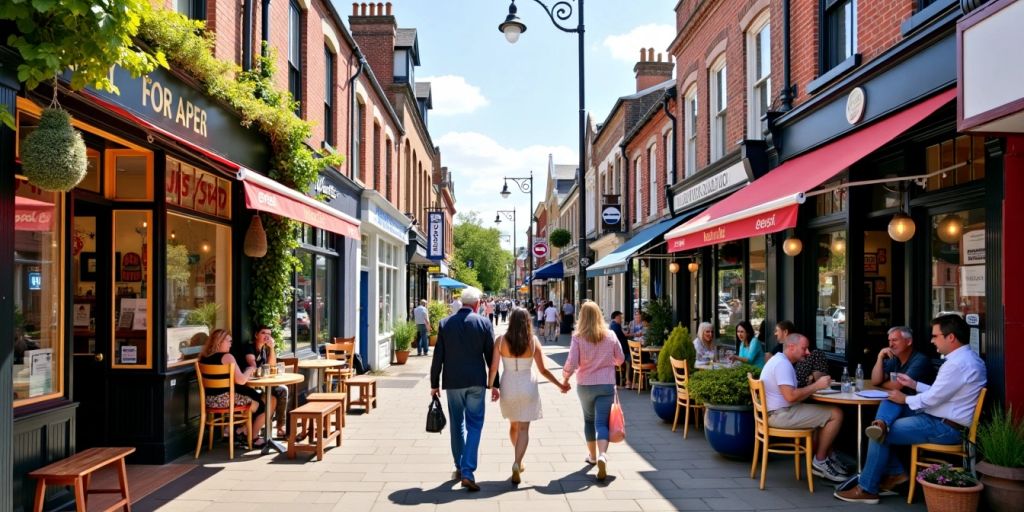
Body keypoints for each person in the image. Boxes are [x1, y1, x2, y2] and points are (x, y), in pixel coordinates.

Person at [835, 314, 987, 504]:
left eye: (935, 336)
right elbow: (941, 393)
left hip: (944, 427)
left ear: (951, 337)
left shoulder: (957, 364)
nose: (932, 341)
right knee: (890, 401)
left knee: (877, 433)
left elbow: (933, 398)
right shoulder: (968, 358)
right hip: (940, 419)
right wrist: (915, 385)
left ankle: (868, 488)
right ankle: (882, 427)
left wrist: (906, 397)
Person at [488, 307, 569, 484]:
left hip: (508, 384)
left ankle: (518, 458)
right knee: (524, 428)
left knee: (513, 425)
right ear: (527, 322)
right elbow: (543, 370)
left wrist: (491, 387)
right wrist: (560, 385)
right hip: (528, 385)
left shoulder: (500, 341)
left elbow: (493, 368)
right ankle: (517, 462)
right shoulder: (532, 341)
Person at [430, 286, 498, 492]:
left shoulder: (445, 324)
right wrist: (495, 384)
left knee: (456, 424)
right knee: (475, 425)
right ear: (477, 304)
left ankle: (459, 465)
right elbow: (491, 357)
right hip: (477, 381)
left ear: (461, 303)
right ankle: (468, 470)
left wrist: (434, 383)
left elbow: (438, 357)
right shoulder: (484, 323)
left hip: (453, 382)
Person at [761, 333, 848, 482]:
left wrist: (812, 387)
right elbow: (791, 397)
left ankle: (827, 457)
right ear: (791, 347)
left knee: (823, 412)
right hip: (780, 415)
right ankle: (820, 461)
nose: (808, 352)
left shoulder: (778, 360)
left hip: (776, 413)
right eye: (804, 348)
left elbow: (790, 396)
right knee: (836, 414)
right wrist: (816, 385)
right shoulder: (783, 365)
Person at [562, 301, 624, 481]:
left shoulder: (578, 336)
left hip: (585, 385)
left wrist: (565, 379)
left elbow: (572, 362)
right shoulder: (611, 334)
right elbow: (620, 359)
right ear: (599, 315)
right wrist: (607, 364)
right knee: (602, 423)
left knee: (589, 420)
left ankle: (593, 457)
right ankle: (603, 455)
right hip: (606, 385)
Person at [199, 329, 267, 448]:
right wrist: (249, 370)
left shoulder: (203, 358)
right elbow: (241, 380)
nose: (231, 344)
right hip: (227, 400)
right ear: (220, 342)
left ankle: (239, 431)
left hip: (210, 401)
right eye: (229, 341)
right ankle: (245, 434)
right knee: (261, 405)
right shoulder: (227, 357)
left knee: (254, 395)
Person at [231, 325, 287, 439]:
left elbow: (271, 366)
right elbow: (252, 363)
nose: (266, 336)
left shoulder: (264, 350)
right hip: (244, 387)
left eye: (269, 334)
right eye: (263, 333)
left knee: (282, 390)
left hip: (258, 384)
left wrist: (272, 348)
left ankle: (279, 427)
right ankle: (251, 430)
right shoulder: (249, 347)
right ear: (256, 335)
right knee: (277, 394)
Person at [609, 311, 631, 388]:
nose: (621, 319)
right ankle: (628, 381)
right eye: (620, 318)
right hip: (621, 351)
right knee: (629, 360)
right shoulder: (616, 326)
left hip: (616, 351)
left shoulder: (612, 325)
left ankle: (622, 381)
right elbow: (623, 336)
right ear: (617, 317)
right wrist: (633, 334)